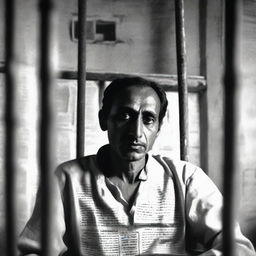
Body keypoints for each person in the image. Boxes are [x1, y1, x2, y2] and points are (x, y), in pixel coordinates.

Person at [18, 76, 255, 255]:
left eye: (148, 119)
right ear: (103, 120)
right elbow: (34, 250)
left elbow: (238, 246)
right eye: (124, 116)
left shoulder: (185, 177)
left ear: (158, 128)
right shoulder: (67, 179)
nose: (136, 132)